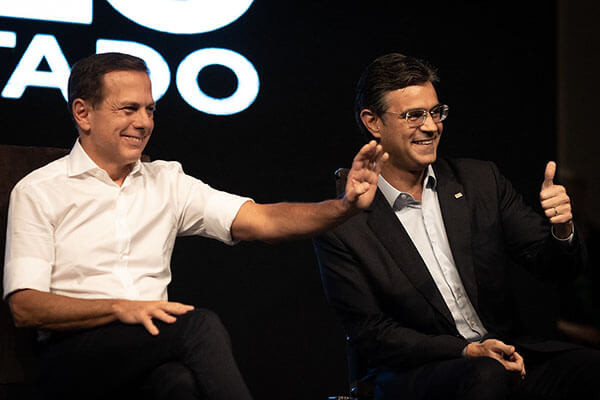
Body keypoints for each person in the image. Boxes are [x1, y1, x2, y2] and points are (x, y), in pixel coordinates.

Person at [2, 52, 388, 400]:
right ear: (83, 113)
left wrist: (343, 207)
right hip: (71, 357)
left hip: (147, 349)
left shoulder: (167, 181)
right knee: (197, 326)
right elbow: (25, 306)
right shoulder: (40, 191)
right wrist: (121, 308)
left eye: (150, 110)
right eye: (128, 109)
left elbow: (263, 220)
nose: (143, 122)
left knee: (177, 383)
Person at [313, 53, 600, 399]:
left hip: (505, 354)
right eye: (414, 115)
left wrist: (562, 228)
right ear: (373, 122)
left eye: (435, 112)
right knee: (486, 376)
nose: (432, 126)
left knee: (588, 367)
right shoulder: (342, 220)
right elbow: (371, 333)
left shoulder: (481, 181)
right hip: (416, 372)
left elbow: (557, 267)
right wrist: (464, 350)